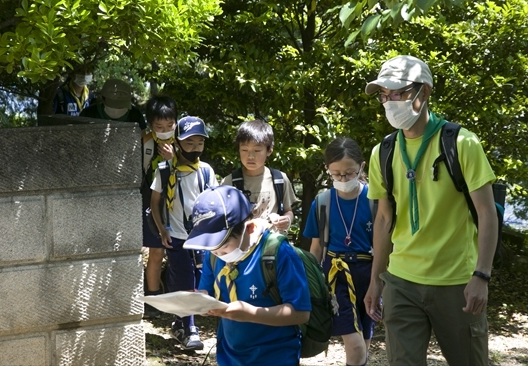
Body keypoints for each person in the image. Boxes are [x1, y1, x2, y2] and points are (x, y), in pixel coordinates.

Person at [363, 55, 498, 366]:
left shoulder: (461, 143)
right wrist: (376, 279)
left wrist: (481, 276)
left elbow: (487, 213)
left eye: (397, 93)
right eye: (384, 95)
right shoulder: (382, 152)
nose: (388, 102)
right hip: (401, 282)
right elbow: (384, 219)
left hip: (456, 283)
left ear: (423, 93)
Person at [183, 185, 311, 366]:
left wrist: (251, 313)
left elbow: (301, 313)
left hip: (275, 357)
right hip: (229, 356)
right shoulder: (213, 255)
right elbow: (208, 290)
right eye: (211, 247)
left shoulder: (278, 253)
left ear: (249, 228)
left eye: (223, 245)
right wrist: (201, 301)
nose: (218, 253)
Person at [302, 137, 375, 366]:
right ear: (328, 171)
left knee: (364, 341)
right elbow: (315, 247)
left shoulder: (374, 199)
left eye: (349, 173)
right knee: (354, 344)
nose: (342, 179)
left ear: (361, 167)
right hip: (335, 276)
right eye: (336, 174)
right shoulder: (322, 202)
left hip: (368, 274)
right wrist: (312, 284)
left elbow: (386, 244)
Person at [150, 115, 218, 350]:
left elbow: (214, 203)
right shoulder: (165, 169)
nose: (195, 149)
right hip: (176, 236)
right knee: (184, 280)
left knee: (199, 281)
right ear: (177, 143)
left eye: (200, 143)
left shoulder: (206, 171)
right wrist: (161, 230)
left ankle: (180, 321)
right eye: (189, 143)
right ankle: (189, 328)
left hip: (200, 239)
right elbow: (156, 201)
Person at [221, 120, 296, 235]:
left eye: (257, 150)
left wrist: (287, 220)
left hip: (273, 246)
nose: (250, 156)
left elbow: (288, 211)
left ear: (269, 150)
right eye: (245, 150)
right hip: (242, 249)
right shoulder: (228, 182)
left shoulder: (280, 179)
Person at [140, 95, 178, 318]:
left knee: (178, 252)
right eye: (159, 126)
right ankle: (152, 299)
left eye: (169, 125)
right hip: (151, 201)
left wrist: (174, 159)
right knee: (156, 251)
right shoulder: (145, 142)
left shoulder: (183, 141)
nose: (165, 130)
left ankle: (177, 298)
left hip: (177, 203)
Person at [79, 78, 146, 130]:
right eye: (113, 104)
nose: (117, 109)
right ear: (103, 99)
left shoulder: (135, 116)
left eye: (121, 106)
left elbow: (143, 140)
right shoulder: (88, 114)